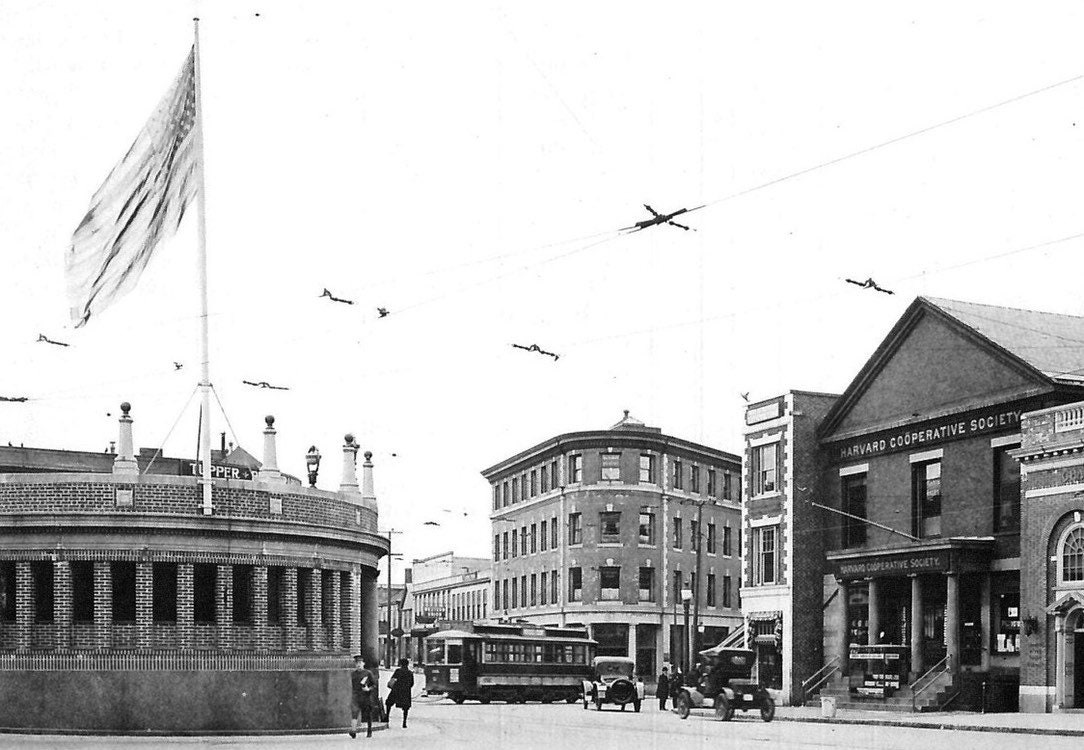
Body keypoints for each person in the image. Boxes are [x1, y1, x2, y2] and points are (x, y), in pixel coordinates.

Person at [349, 654, 376, 739]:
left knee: (368, 714)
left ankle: (369, 730)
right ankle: (353, 731)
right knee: (354, 712)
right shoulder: (353, 674)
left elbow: (374, 684)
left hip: (366, 696)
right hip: (356, 696)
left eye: (360, 663)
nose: (358, 665)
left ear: (363, 664)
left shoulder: (368, 673)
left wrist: (369, 689)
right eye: (357, 663)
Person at [384, 657, 415, 728]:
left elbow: (393, 679)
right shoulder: (410, 673)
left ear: (401, 664)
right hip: (406, 692)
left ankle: (387, 717)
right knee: (405, 708)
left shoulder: (398, 671)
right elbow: (412, 683)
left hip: (396, 690)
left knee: (389, 703)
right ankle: (404, 722)